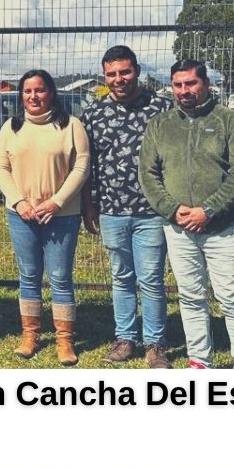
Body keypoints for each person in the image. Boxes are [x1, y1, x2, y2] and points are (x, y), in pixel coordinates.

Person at [139, 59, 234, 369]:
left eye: (190, 83)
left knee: (232, 296)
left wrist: (208, 210)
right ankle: (199, 360)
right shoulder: (161, 125)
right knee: (191, 296)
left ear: (206, 84)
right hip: (178, 228)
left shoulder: (229, 122)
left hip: (222, 227)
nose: (184, 90)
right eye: (178, 85)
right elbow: (148, 174)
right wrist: (174, 210)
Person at [80, 44, 173, 368]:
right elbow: (87, 164)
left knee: (150, 278)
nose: (119, 79)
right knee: (121, 276)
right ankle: (125, 338)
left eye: (125, 72)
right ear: (104, 76)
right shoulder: (93, 113)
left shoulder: (161, 108)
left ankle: (155, 344)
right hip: (111, 210)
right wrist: (88, 205)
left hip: (152, 211)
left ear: (137, 70)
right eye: (112, 74)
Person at [0, 69, 89, 365]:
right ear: (21, 95)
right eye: (27, 91)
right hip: (22, 215)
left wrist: (57, 202)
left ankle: (64, 340)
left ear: (51, 92)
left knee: (60, 278)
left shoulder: (72, 125)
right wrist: (18, 201)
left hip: (61, 216)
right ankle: (30, 335)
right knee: (29, 276)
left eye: (39, 90)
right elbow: (2, 169)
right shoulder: (11, 127)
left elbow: (82, 167)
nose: (33, 96)